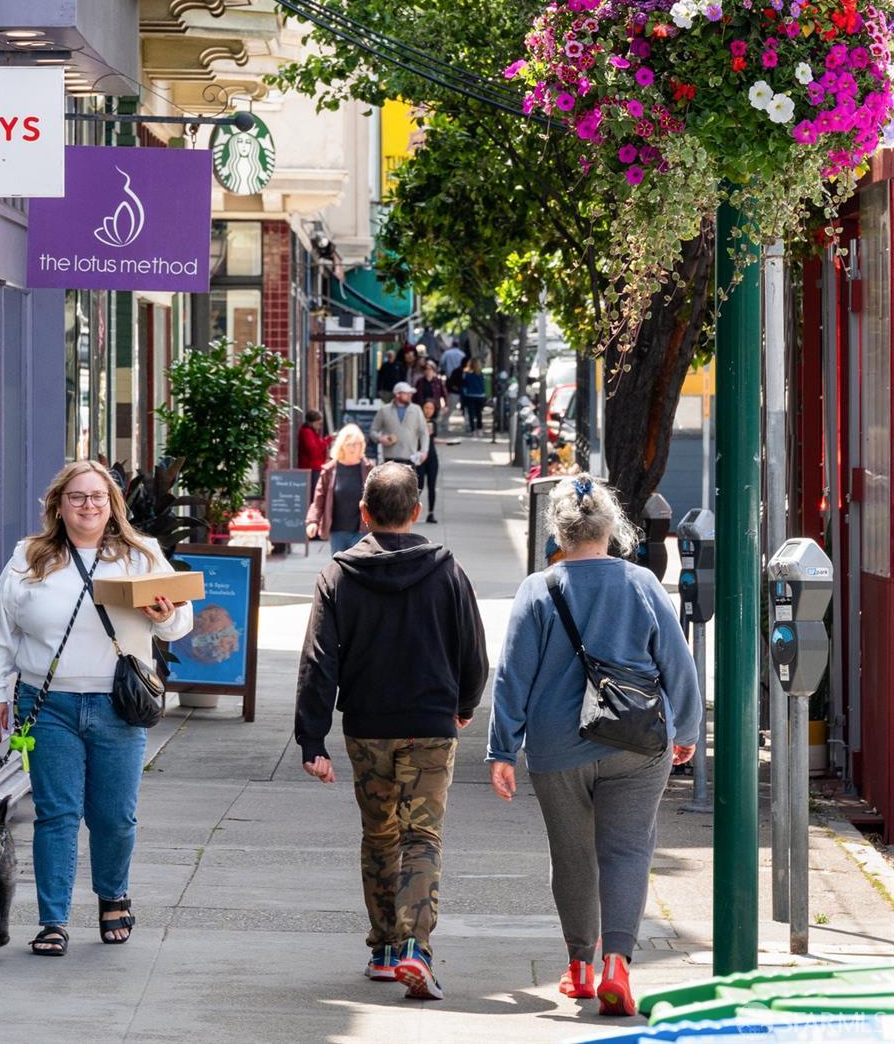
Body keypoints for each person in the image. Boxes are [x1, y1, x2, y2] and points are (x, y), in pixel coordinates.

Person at [487, 473, 701, 1017]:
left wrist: (504, 749)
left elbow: (513, 675)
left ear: (558, 533)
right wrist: (686, 731)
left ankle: (580, 966)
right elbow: (678, 666)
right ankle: (618, 968)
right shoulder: (642, 584)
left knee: (572, 854)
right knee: (628, 851)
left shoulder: (539, 588)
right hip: (637, 739)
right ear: (613, 529)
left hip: (557, 745)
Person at [0, 459, 194, 957]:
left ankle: (113, 895)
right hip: (47, 702)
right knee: (57, 814)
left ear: (112, 504)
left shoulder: (140, 554)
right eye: (77, 497)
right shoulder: (29, 557)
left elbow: (179, 626)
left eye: (97, 497)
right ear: (58, 504)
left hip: (120, 704)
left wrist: (165, 615)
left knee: (114, 816)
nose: (88, 505)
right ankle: (53, 920)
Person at [295, 463, 489, 1002]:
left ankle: (383, 949)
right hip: (430, 726)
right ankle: (415, 950)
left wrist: (312, 740)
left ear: (363, 513)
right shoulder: (448, 571)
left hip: (368, 730)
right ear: (416, 512)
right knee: (421, 836)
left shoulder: (338, 574)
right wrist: (465, 704)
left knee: (379, 834)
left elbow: (317, 662)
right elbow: (474, 650)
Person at [305, 424, 373, 555]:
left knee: (359, 571)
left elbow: (379, 500)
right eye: (349, 444)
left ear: (362, 445)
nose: (353, 448)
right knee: (340, 570)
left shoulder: (369, 469)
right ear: (342, 445)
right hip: (337, 532)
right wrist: (312, 522)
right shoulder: (329, 470)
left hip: (362, 531)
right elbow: (319, 500)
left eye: (356, 444)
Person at [369, 381, 429, 467]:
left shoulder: (416, 410)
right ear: (397, 394)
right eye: (406, 393)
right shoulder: (384, 410)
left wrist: (424, 450)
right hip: (390, 458)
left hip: (410, 458)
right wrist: (380, 438)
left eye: (410, 393)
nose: (410, 395)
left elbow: (424, 432)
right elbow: (373, 431)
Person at [415, 399, 439, 524]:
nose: (429, 411)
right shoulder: (416, 422)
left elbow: (431, 436)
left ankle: (431, 513)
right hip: (420, 456)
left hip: (432, 457)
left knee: (432, 485)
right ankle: (412, 511)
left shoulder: (433, 423)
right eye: (426, 408)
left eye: (431, 408)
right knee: (419, 485)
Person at [297, 410, 330, 495]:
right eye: (318, 424)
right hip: (311, 468)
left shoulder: (312, 432)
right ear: (311, 422)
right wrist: (326, 441)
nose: (319, 426)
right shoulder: (306, 432)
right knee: (314, 493)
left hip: (315, 467)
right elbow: (314, 451)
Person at [412, 359, 448, 423]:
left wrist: (445, 405)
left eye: (430, 369)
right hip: (422, 406)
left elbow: (444, 394)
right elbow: (415, 395)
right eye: (426, 369)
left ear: (433, 371)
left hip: (435, 406)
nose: (428, 371)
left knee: (434, 424)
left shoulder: (438, 381)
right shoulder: (420, 381)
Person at [461, 358, 487, 435]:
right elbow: (483, 385)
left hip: (470, 395)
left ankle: (472, 430)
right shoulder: (481, 374)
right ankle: (480, 429)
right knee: (479, 413)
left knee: (471, 413)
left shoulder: (466, 374)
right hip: (480, 395)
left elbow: (464, 384)